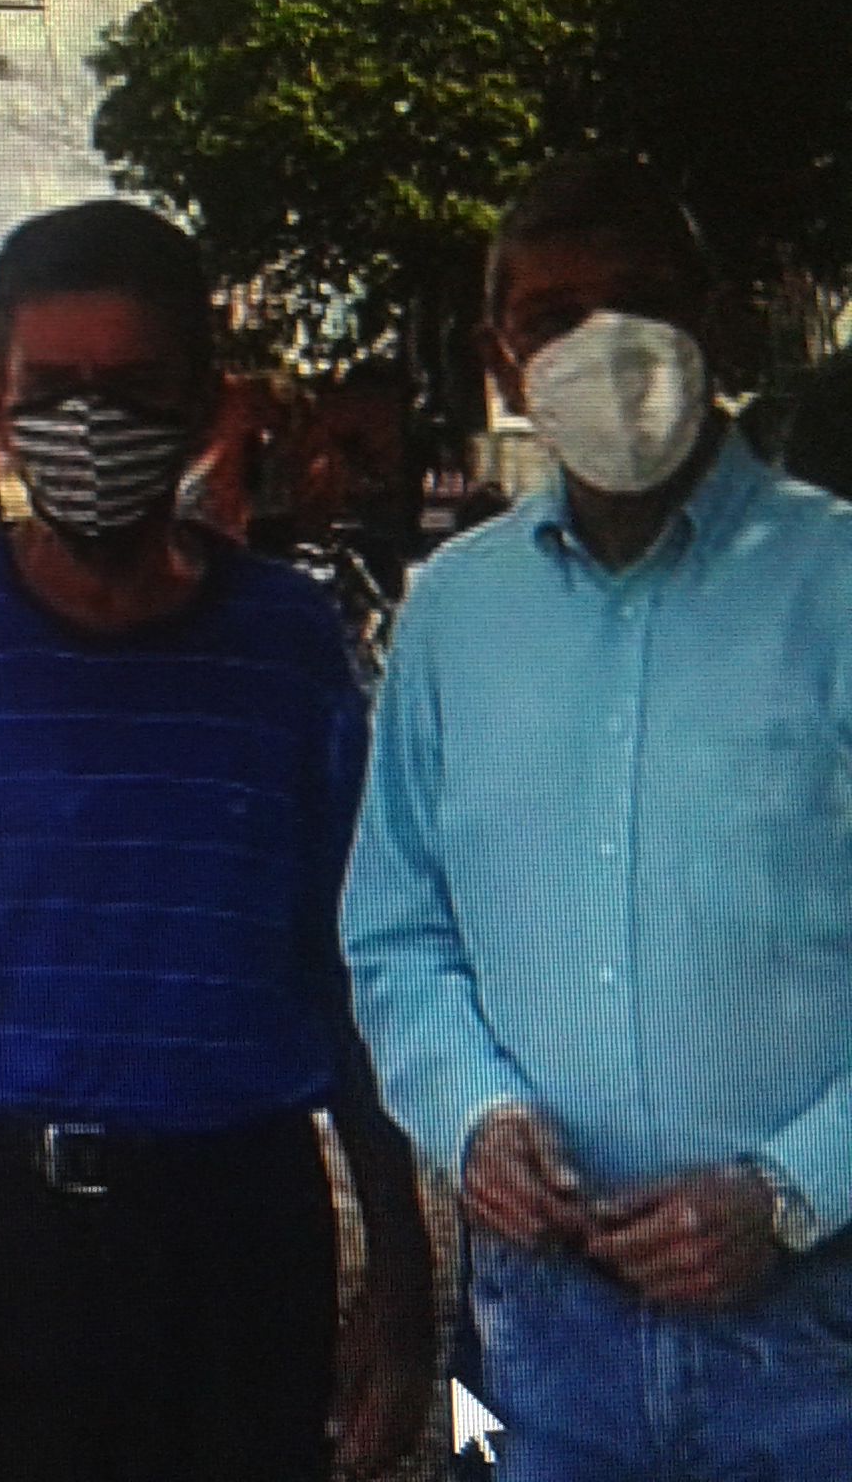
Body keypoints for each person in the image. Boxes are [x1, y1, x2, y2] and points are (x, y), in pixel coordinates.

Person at [0, 199, 435, 1482]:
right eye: (51, 391)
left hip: (231, 1239)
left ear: (203, 404)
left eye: (132, 389)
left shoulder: (287, 642)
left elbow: (347, 958)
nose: (88, 426)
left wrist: (402, 1275)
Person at [343, 152, 852, 1479]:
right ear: (499, 360)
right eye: (553, 317)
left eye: (642, 300)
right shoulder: (453, 616)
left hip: (817, 1326)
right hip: (536, 1335)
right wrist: (473, 1117)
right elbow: (397, 931)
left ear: (714, 321)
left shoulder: (835, 587)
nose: (604, 345)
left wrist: (793, 1190)